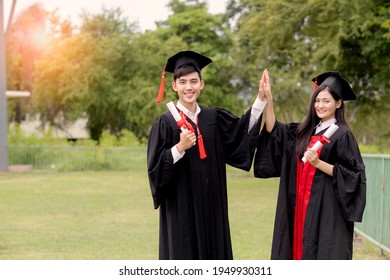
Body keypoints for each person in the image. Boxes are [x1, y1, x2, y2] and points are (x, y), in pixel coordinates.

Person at [147, 50, 267, 260]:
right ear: (174, 86)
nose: (189, 87)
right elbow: (155, 169)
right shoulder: (165, 124)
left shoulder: (213, 118)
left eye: (194, 81)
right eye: (183, 82)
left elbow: (240, 132)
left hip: (213, 207)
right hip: (182, 209)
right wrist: (179, 148)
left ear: (202, 84)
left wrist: (260, 100)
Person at [254, 70, 366, 260]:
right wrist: (269, 100)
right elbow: (274, 130)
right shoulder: (304, 132)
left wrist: (318, 163)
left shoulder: (342, 135)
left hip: (326, 209)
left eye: (326, 101)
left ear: (338, 103)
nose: (320, 105)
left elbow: (353, 176)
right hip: (298, 206)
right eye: (317, 100)